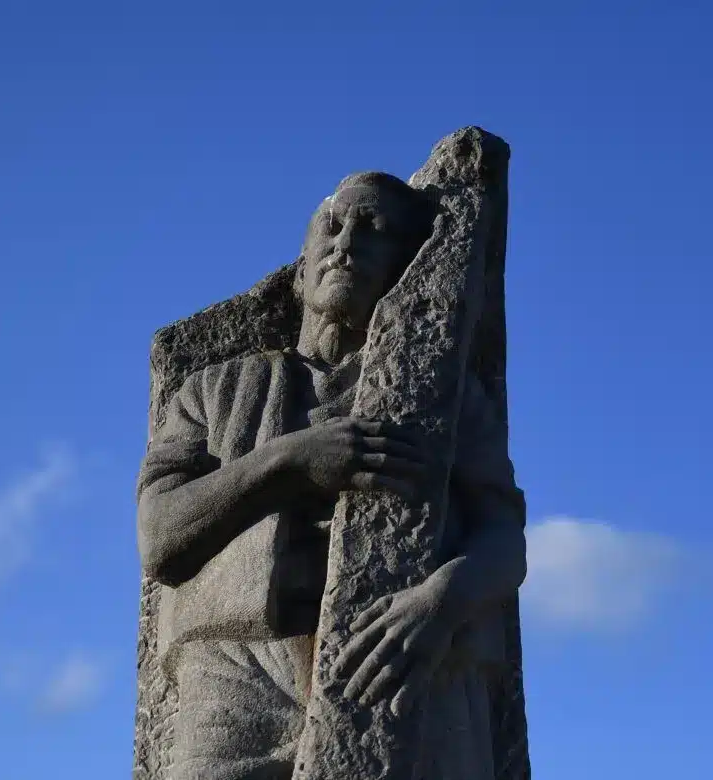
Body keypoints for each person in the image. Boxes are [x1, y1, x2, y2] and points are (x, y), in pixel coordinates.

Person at [136, 171, 527, 780]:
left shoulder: (447, 398)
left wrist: (440, 602)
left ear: (404, 273)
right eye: (333, 225)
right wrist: (288, 459)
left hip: (402, 648)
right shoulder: (210, 392)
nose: (346, 242)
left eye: (373, 230)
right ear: (299, 273)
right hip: (240, 662)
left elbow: (504, 540)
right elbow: (160, 540)